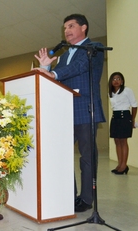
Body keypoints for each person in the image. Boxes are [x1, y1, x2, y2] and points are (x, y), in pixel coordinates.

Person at [34, 14, 105, 212]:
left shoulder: (94, 47)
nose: (66, 30)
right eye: (65, 27)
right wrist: (46, 66)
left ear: (84, 27)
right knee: (62, 155)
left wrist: (54, 73)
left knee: (87, 156)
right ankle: (69, 194)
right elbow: (55, 78)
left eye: (71, 26)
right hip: (64, 111)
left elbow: (80, 67)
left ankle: (87, 199)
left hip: (85, 109)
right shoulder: (65, 55)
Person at [108, 72, 137, 175]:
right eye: (114, 79)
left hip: (125, 116)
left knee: (123, 141)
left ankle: (124, 165)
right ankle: (119, 164)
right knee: (117, 141)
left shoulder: (127, 90)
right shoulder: (110, 92)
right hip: (115, 117)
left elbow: (134, 105)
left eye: (118, 79)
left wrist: (132, 119)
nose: (116, 81)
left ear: (122, 81)